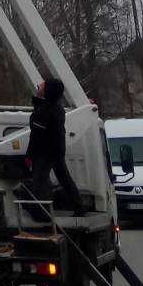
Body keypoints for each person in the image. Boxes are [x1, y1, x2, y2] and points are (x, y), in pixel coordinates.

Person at [24, 76, 88, 217]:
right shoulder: (57, 109)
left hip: (44, 152)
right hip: (57, 150)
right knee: (64, 179)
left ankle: (41, 213)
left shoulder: (43, 111)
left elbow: (35, 137)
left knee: (40, 181)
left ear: (48, 91)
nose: (39, 86)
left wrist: (29, 155)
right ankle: (78, 207)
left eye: (42, 86)